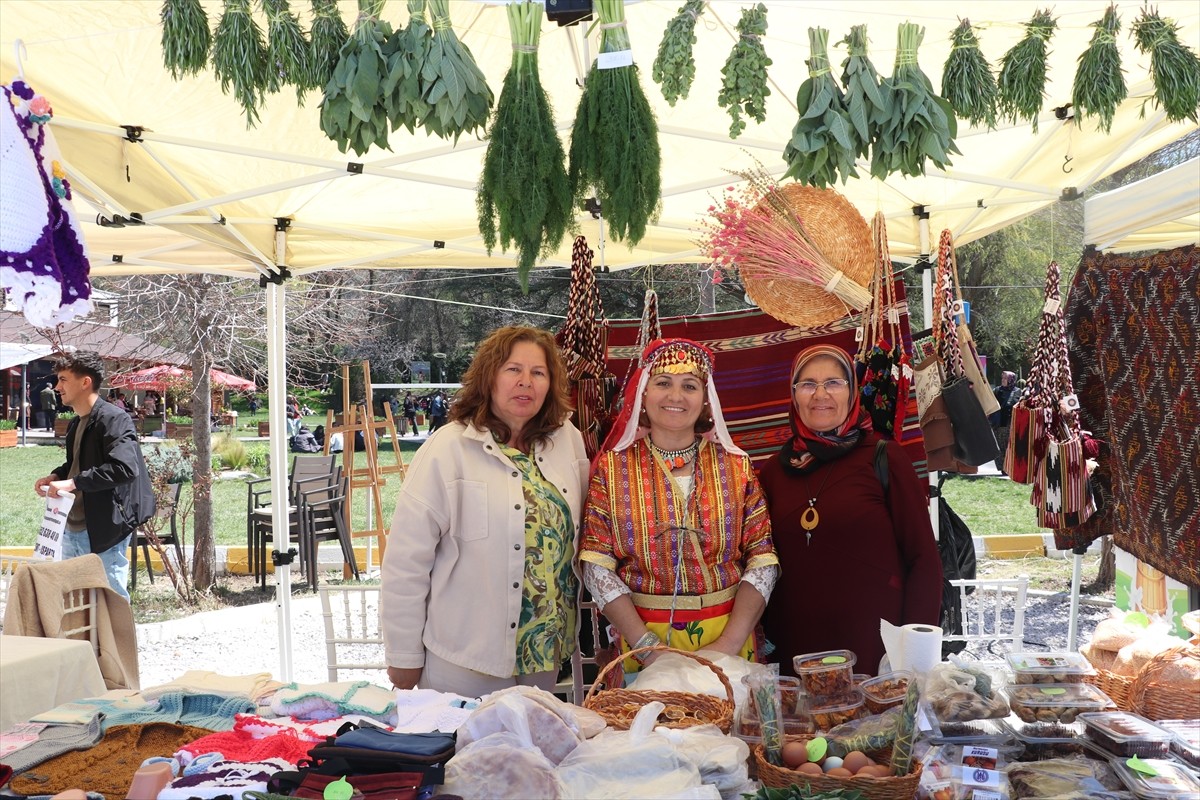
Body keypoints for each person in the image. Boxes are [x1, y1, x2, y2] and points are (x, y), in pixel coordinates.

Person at [382, 326, 589, 696]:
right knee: (462, 752)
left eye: (538, 373)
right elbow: (406, 561)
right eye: (513, 370)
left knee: (530, 752)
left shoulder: (566, 441)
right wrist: (403, 655)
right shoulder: (448, 448)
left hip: (544, 654)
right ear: (489, 377)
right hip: (466, 659)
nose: (526, 382)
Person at [579, 338, 778, 680]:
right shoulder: (612, 470)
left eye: (689, 385)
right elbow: (596, 564)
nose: (675, 396)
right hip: (642, 644)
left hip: (727, 636)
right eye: (663, 383)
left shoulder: (736, 467)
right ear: (643, 394)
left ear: (705, 401)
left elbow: (762, 558)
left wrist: (727, 645)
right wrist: (650, 649)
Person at [759, 344, 942, 677]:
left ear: (852, 391)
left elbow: (924, 560)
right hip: (797, 649)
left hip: (874, 648)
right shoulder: (773, 472)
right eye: (808, 384)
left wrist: (913, 654)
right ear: (794, 394)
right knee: (807, 729)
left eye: (833, 382)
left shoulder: (884, 458)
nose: (820, 394)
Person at [32, 352, 155, 601]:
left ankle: (116, 643)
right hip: (71, 526)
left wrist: (74, 482)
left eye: (63, 379)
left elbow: (124, 468)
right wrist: (56, 475)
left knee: (110, 604)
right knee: (76, 604)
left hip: (104, 528)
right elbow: (77, 464)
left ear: (85, 382)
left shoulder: (114, 419)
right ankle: (85, 643)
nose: (57, 387)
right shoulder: (77, 423)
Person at [991, 371, 1018, 473]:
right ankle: (1003, 468)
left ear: (1011, 380)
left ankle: (1009, 467)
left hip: (1011, 423)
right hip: (998, 423)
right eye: (1002, 378)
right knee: (999, 446)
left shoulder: (1018, 391)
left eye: (1005, 378)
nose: (1003, 380)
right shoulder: (997, 390)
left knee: (1010, 446)